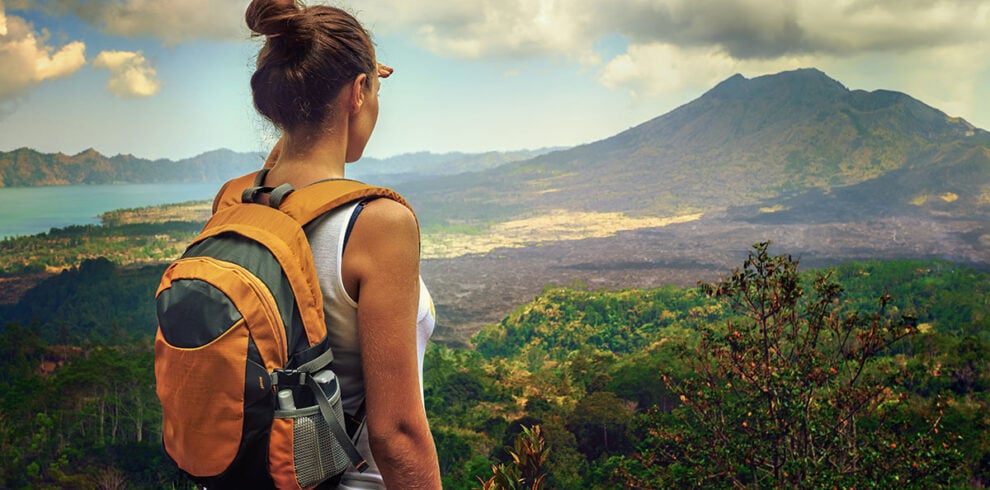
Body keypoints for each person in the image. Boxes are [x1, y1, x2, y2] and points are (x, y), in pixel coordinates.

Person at [244, 0, 441, 488]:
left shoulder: (240, 202)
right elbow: (396, 434)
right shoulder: (377, 225)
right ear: (358, 92)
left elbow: (290, 162)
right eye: (371, 90)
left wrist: (340, 67)